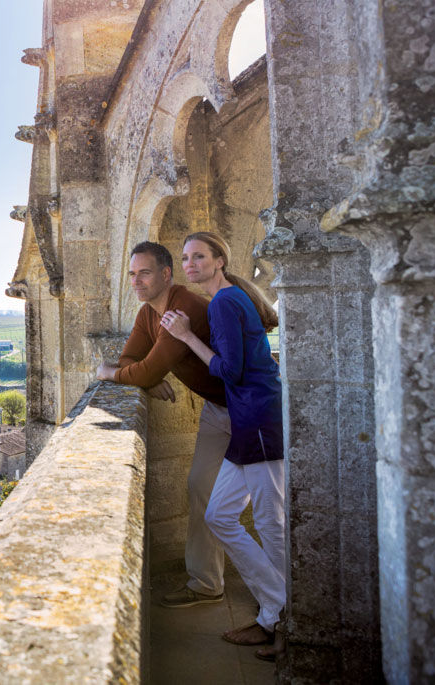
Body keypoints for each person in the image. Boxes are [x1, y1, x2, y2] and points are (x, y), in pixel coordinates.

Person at [160, 231, 284, 655]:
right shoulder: (225, 301)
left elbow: (229, 371)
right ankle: (279, 610)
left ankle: (284, 622)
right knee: (220, 515)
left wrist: (185, 336)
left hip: (260, 421)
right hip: (249, 422)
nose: (190, 264)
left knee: (270, 525)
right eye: (185, 258)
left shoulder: (227, 302)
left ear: (219, 260)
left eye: (198, 257)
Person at [96, 241, 230, 608]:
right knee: (200, 486)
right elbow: (132, 359)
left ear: (166, 274)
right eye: (132, 274)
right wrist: (144, 378)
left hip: (247, 408)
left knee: (264, 504)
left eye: (145, 273)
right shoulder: (148, 314)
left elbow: (138, 366)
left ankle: (276, 598)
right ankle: (207, 583)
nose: (136, 281)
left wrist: (116, 374)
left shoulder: (182, 306)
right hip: (219, 409)